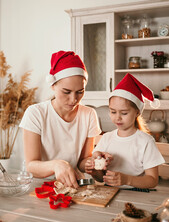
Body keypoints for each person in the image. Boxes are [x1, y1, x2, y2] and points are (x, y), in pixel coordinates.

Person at [19, 51, 101, 188]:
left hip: (74, 185)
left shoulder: (89, 114)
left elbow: (82, 162)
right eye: (66, 92)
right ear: (53, 85)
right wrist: (57, 165)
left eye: (80, 92)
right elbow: (31, 165)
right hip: (40, 185)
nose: (73, 99)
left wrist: (92, 162)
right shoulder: (35, 114)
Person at [82, 73, 165, 188]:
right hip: (109, 192)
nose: (117, 118)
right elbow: (101, 178)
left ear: (137, 112)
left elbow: (152, 180)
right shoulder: (106, 138)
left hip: (136, 194)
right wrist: (94, 170)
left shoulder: (145, 141)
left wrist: (127, 180)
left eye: (124, 113)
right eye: (113, 111)